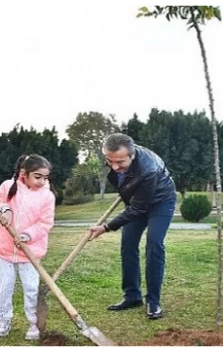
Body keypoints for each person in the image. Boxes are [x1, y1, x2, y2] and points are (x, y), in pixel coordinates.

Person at [88, 133, 177, 320]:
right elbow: (129, 194)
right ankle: (132, 296)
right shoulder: (115, 160)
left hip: (161, 201)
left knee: (154, 244)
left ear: (132, 154)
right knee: (128, 245)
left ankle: (153, 301)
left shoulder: (148, 169)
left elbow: (138, 208)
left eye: (120, 162)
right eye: (110, 161)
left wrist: (106, 227)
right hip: (137, 200)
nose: (114, 166)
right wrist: (126, 188)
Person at [0, 154, 56, 340]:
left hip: (30, 253)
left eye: (45, 177)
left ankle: (33, 324)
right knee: (5, 287)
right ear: (23, 173)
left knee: (31, 288)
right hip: (5, 250)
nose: (42, 181)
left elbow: (45, 223)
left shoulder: (47, 197)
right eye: (37, 176)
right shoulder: (7, 186)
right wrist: (5, 210)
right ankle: (3, 321)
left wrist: (28, 235)